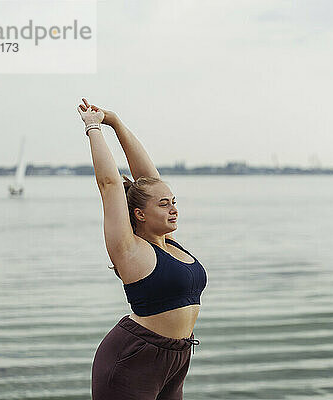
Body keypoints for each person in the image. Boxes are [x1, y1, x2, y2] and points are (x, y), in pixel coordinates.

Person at [77, 98, 207, 399]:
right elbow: (109, 184)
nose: (173, 209)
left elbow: (151, 182)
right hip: (133, 358)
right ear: (139, 214)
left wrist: (118, 124)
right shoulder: (129, 248)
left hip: (177, 358)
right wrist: (94, 127)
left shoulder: (170, 244)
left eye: (174, 202)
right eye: (164, 205)